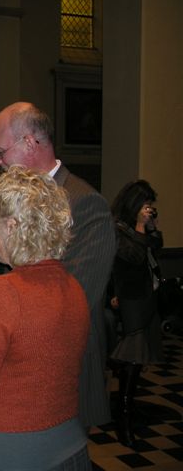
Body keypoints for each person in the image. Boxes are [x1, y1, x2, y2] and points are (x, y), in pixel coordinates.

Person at [0, 166, 92, 471]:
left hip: (10, 454)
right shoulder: (74, 287)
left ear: (12, 226)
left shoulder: (2, 293)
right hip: (71, 446)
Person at [0, 102, 116, 430]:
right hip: (14, 367)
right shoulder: (8, 202)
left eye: (0, 152)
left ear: (30, 143)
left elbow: (75, 298)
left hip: (61, 371)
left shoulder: (84, 202)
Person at [109, 180, 164, 448]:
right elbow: (134, 256)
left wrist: (150, 226)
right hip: (130, 299)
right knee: (132, 357)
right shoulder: (118, 229)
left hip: (145, 297)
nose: (148, 209)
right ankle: (124, 421)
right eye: (145, 205)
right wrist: (142, 228)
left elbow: (157, 244)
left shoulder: (137, 227)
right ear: (134, 204)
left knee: (137, 361)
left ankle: (128, 410)